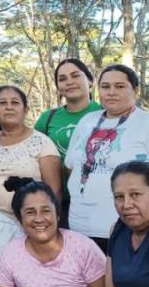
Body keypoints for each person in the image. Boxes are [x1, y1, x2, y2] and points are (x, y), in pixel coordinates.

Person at [64, 64, 149, 250]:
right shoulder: (87, 121)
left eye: (120, 86)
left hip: (129, 233)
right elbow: (71, 167)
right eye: (105, 87)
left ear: (135, 90)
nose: (111, 92)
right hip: (79, 231)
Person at [0, 85, 61, 218]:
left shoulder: (42, 144)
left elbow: (54, 192)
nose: (9, 107)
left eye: (15, 102)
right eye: (3, 103)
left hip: (29, 223)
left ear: (25, 110)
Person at [34, 58, 101, 227]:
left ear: (90, 81)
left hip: (99, 201)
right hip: (58, 200)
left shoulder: (105, 114)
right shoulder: (48, 118)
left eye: (75, 76)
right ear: (58, 87)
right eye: (62, 79)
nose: (69, 82)